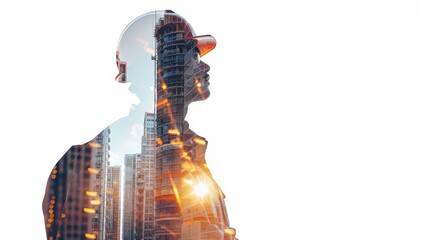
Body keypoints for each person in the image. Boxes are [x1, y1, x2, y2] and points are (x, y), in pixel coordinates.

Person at [43, 10, 236, 240]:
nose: (205, 68)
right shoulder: (90, 159)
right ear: (159, 68)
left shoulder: (192, 151)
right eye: (194, 57)